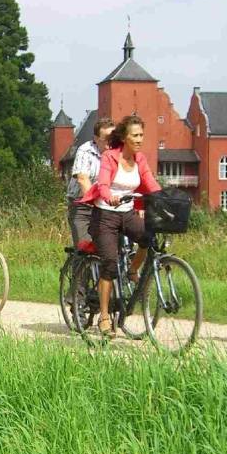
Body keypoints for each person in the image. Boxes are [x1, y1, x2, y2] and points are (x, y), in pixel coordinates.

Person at [77, 115, 161, 336]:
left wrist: (164, 197)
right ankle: (104, 317)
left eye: (142, 135)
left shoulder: (140, 159)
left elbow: (150, 182)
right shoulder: (109, 157)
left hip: (127, 213)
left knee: (148, 238)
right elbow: (103, 183)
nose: (140, 139)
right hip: (105, 214)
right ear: (124, 137)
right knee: (110, 264)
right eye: (135, 135)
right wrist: (109, 196)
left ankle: (133, 269)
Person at [67, 117, 115, 247]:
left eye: (113, 137)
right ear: (96, 138)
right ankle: (79, 265)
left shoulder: (117, 153)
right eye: (106, 138)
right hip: (82, 205)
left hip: (106, 205)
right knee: (85, 247)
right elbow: (83, 179)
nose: (110, 142)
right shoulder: (85, 151)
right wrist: (93, 202)